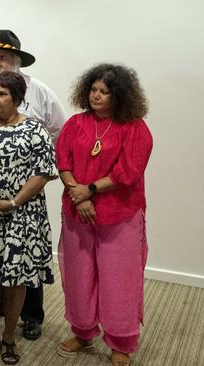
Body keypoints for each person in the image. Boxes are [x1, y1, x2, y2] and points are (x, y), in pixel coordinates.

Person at [0, 29, 67, 340]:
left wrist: (34, 174)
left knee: (23, 262)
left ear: (18, 62)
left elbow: (60, 130)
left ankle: (30, 315)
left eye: (3, 57)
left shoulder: (40, 93)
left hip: (23, 198)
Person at [55, 64, 152, 366]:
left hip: (118, 216)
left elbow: (129, 172)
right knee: (79, 275)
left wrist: (90, 190)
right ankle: (83, 332)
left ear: (119, 96)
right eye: (93, 90)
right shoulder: (75, 124)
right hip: (77, 211)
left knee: (118, 281)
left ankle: (121, 342)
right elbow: (62, 160)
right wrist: (77, 192)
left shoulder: (135, 128)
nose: (96, 96)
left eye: (104, 92)